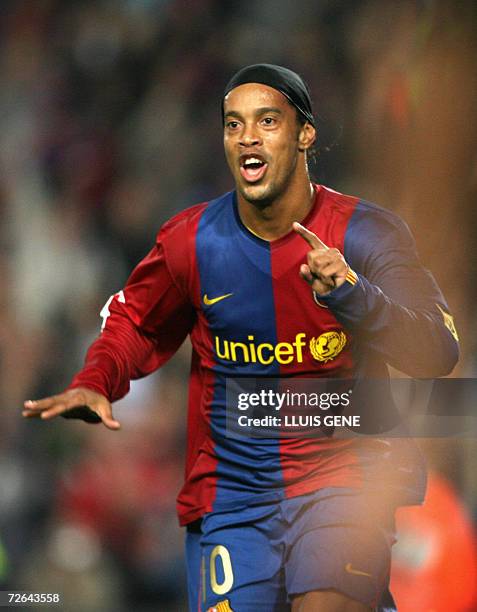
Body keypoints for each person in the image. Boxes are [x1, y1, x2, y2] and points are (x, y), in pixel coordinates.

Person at [23, 64, 459, 612]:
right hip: (231, 497)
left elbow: (438, 351)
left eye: (267, 120)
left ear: (305, 133)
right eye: (233, 124)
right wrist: (97, 379)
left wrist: (353, 292)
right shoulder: (191, 241)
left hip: (345, 478)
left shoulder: (368, 233)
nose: (247, 136)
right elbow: (134, 322)